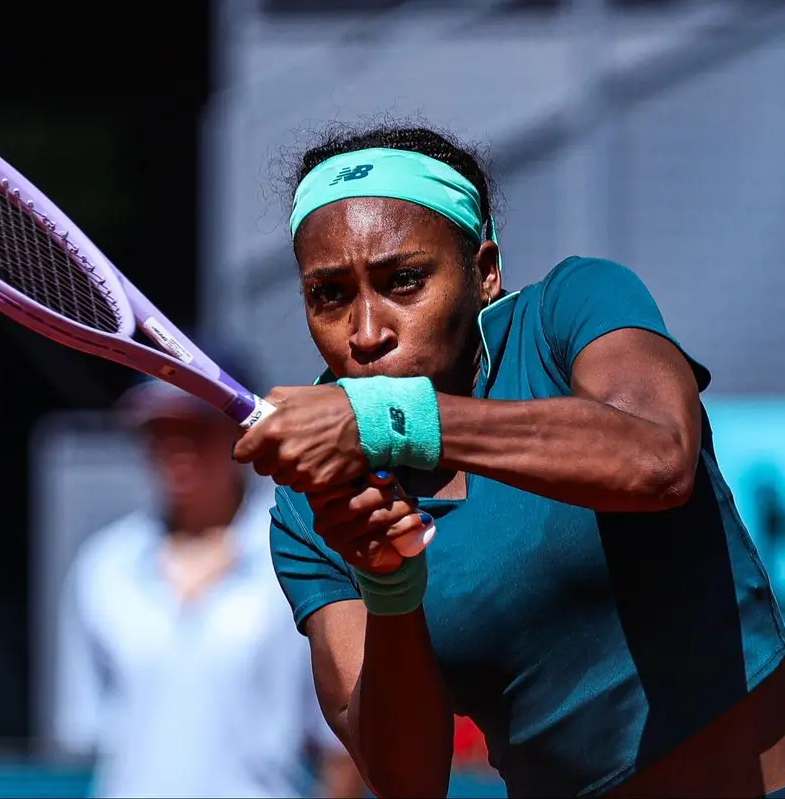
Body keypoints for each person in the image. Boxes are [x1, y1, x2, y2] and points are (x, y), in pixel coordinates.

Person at [232, 122, 785, 798]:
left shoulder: (569, 310)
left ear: (485, 271)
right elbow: (406, 782)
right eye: (330, 295)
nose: (367, 332)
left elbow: (658, 458)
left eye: (404, 281)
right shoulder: (308, 511)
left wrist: (389, 419)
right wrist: (389, 585)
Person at [52, 340, 364, 799]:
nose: (177, 448)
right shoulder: (101, 568)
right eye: (160, 430)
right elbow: (89, 734)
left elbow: (345, 744)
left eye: (197, 427)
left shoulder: (304, 551)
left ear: (242, 434)